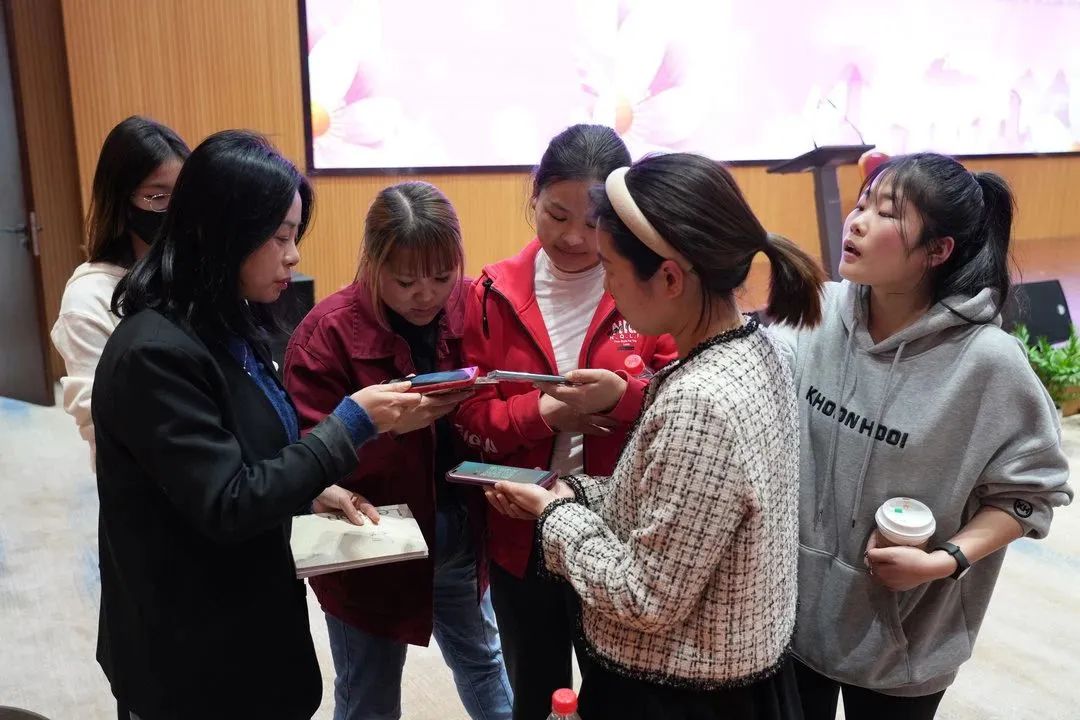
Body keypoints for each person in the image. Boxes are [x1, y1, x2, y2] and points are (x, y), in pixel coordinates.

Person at [91, 130, 440, 720]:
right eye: (279, 236)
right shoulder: (154, 353)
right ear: (222, 231)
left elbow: (250, 449)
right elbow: (227, 502)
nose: (293, 255)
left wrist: (311, 488)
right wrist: (350, 424)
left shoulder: (229, 321)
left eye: (294, 235)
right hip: (191, 652)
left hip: (251, 618)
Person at [487, 152, 823, 719]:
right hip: (724, 676)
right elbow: (679, 510)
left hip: (682, 695)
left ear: (669, 278)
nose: (607, 288)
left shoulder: (701, 403)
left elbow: (643, 597)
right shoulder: (756, 346)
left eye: (610, 269)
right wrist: (576, 490)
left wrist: (554, 515)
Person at [769, 153, 1074, 719]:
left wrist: (944, 562)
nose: (857, 222)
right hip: (793, 622)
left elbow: (1029, 496)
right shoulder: (818, 312)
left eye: (886, 213)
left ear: (937, 250)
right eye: (860, 204)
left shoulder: (988, 364)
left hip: (904, 647)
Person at [456, 124, 677, 720]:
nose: (574, 237)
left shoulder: (652, 288)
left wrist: (623, 399)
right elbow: (470, 419)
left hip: (619, 534)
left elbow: (683, 401)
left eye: (594, 221)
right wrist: (549, 411)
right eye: (556, 214)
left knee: (621, 697)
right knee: (534, 691)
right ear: (533, 195)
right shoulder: (489, 293)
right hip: (521, 529)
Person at [284, 181, 513, 720]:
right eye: (405, 281)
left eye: (442, 276)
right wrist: (380, 428)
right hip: (369, 542)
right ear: (371, 263)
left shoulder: (473, 307)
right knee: (369, 690)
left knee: (485, 664)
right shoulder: (326, 334)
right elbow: (301, 451)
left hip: (459, 529)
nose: (426, 295)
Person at [50, 116, 189, 464]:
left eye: (183, 195)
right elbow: (99, 418)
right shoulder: (88, 296)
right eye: (158, 196)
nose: (174, 211)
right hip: (147, 474)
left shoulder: (190, 271)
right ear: (120, 199)